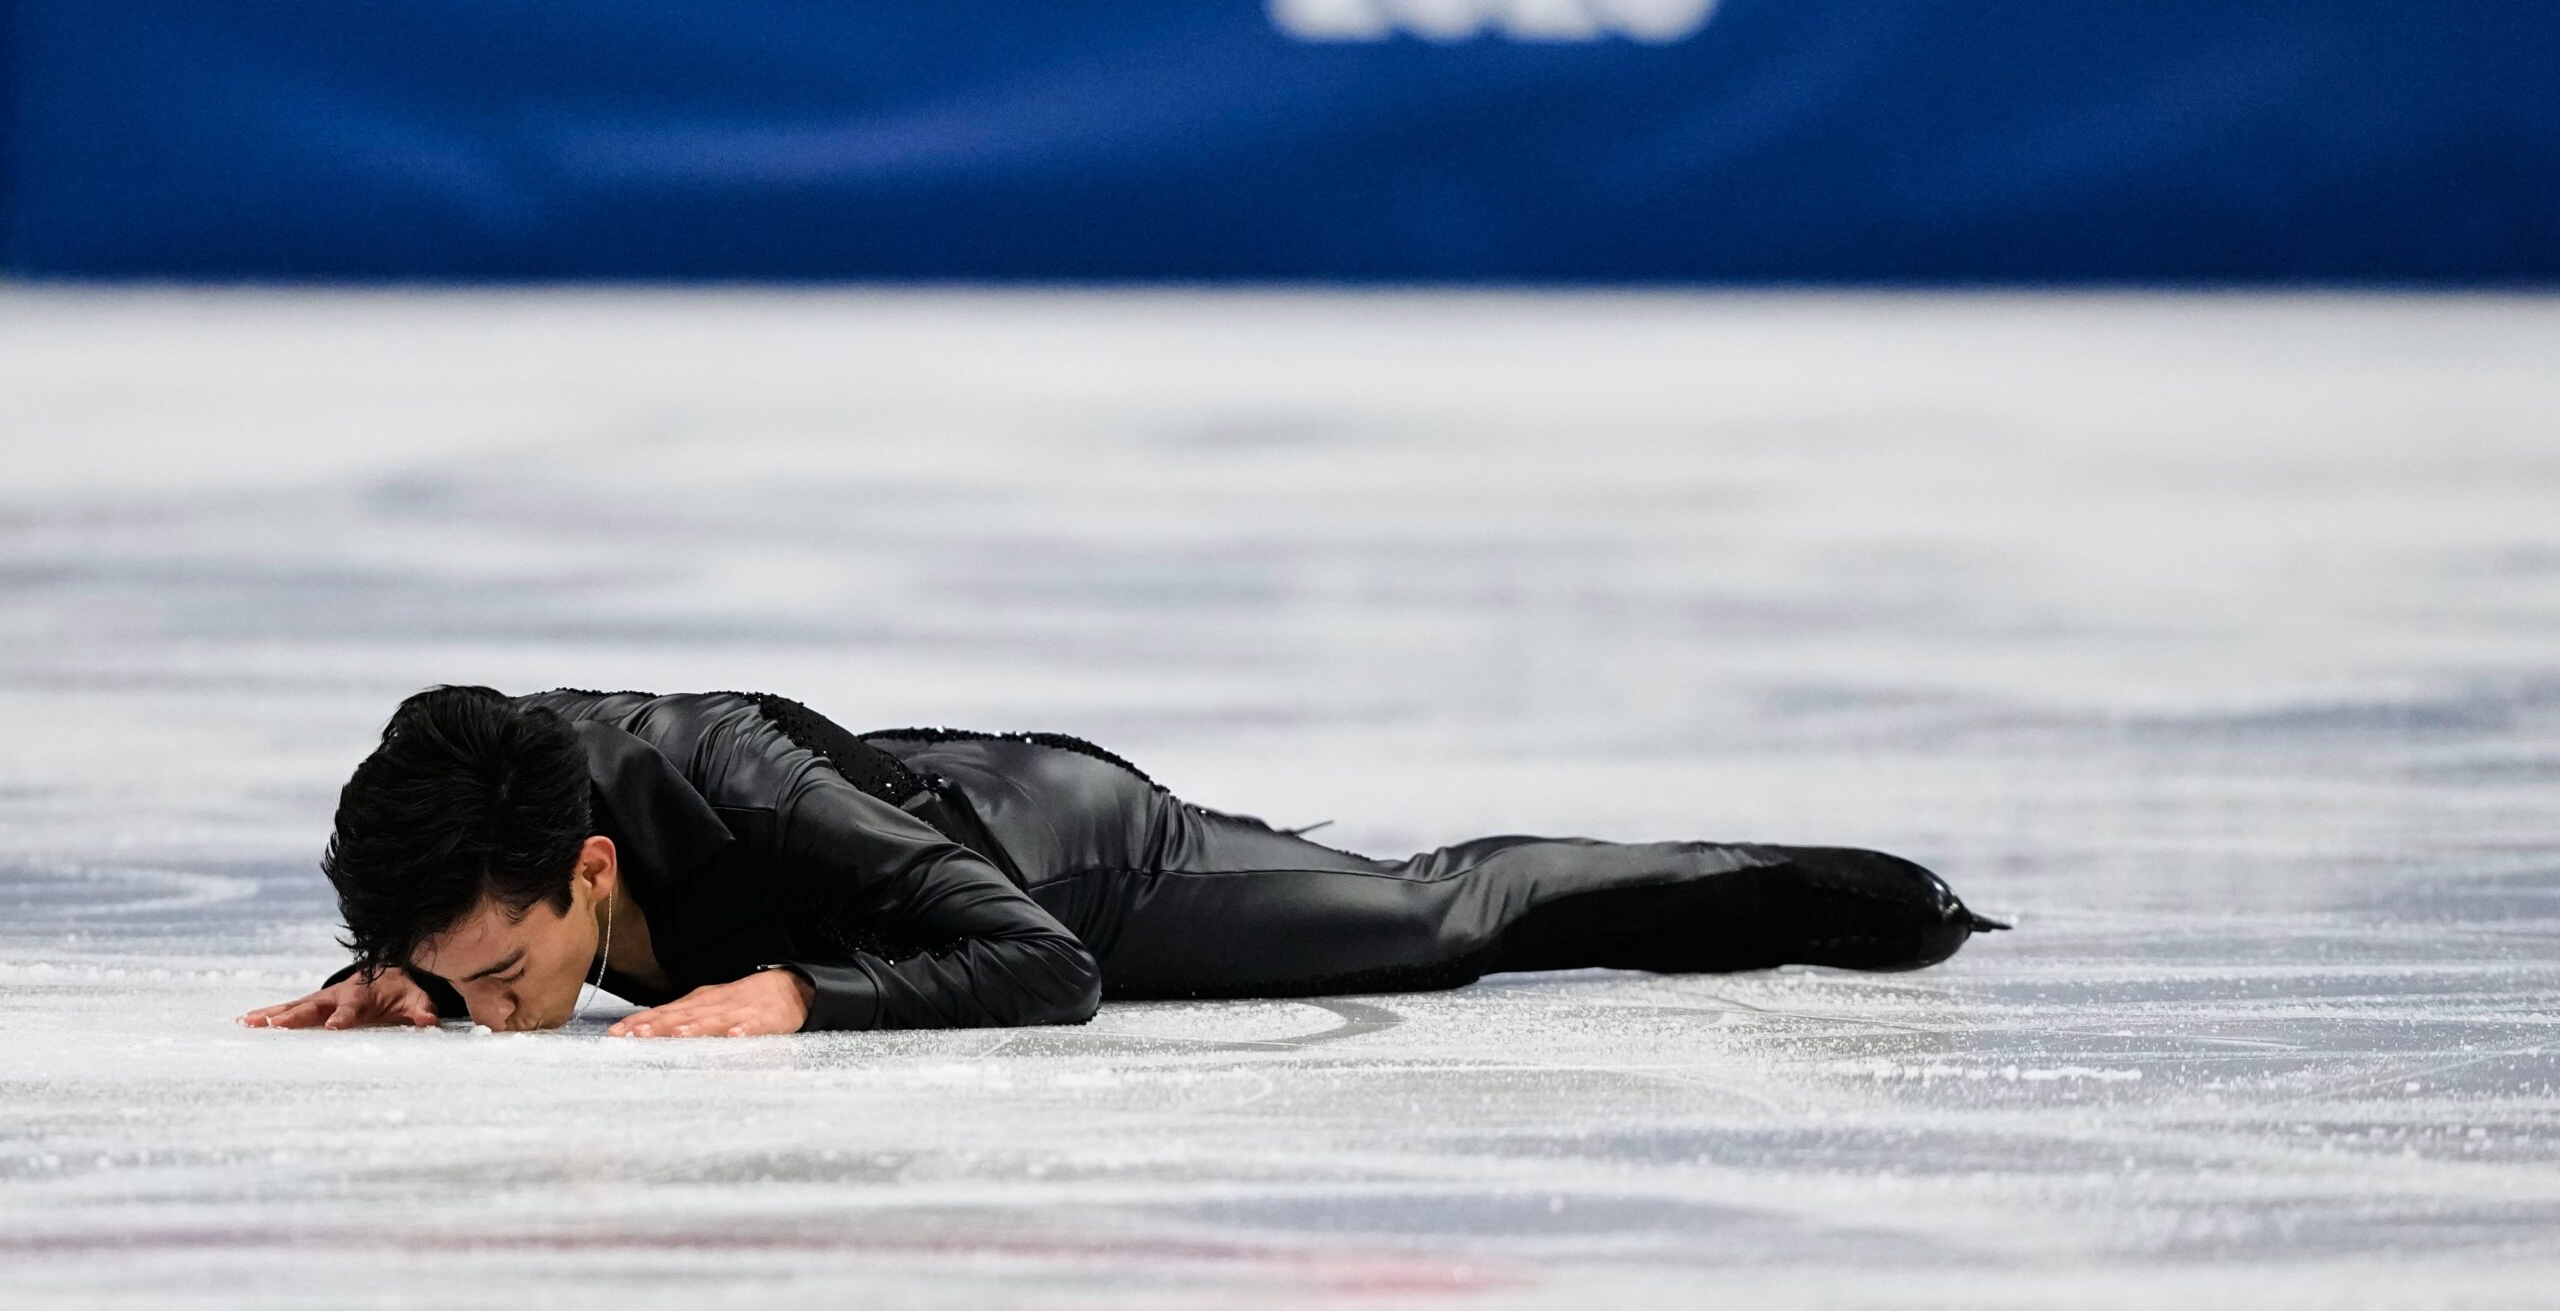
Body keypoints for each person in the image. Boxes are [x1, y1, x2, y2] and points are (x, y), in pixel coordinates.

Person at [238, 685, 2007, 1036]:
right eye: (455, 985)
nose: (490, 1014)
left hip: (1067, 855)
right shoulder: (483, 816)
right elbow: (443, 915)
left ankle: (1831, 890)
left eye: (502, 975)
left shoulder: (745, 790)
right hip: (909, 832)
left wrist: (798, 994)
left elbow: (1045, 969)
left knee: (1433, 922)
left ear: (598, 868)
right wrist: (384, 975)